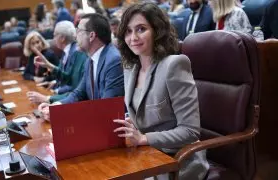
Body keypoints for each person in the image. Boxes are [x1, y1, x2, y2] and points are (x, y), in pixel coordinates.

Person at [113, 2, 209, 180]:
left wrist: (143, 138)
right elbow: (143, 111)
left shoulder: (174, 64)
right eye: (127, 31)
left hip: (178, 160)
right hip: (146, 155)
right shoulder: (130, 69)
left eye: (141, 29)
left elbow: (190, 132)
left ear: (157, 30)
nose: (133, 37)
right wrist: (131, 122)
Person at [38, 13, 124, 121]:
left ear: (91, 36)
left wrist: (63, 113)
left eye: (78, 31)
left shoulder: (113, 61)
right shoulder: (90, 60)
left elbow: (106, 107)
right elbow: (79, 92)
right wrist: (56, 106)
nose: (75, 36)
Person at [27, 21, 87, 104]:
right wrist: (49, 66)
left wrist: (49, 98)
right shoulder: (67, 51)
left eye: (54, 35)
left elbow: (74, 86)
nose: (53, 39)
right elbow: (68, 77)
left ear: (62, 38)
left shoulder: (76, 53)